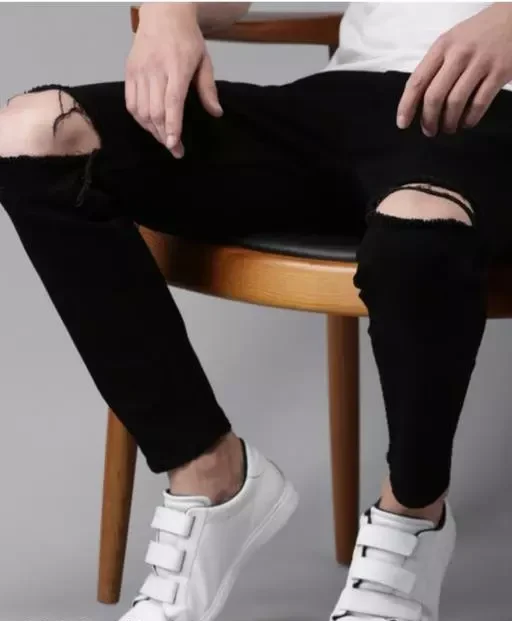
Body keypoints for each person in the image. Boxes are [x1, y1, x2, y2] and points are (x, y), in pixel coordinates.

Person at [0, 1, 510, 619]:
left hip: (490, 119)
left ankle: (413, 518)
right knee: (36, 133)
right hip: (336, 107)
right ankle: (209, 476)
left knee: (418, 234)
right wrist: (167, 14)